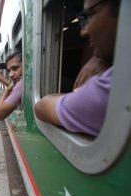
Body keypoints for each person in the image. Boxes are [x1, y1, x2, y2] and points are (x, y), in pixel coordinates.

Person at [34, 0, 119, 136]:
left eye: (90, 14)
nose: (83, 32)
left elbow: (41, 107)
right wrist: (100, 57)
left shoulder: (110, 90)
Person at [0, 52, 23, 121]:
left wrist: (7, 90)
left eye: (15, 68)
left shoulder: (22, 84)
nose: (10, 75)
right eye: (9, 71)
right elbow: (15, 89)